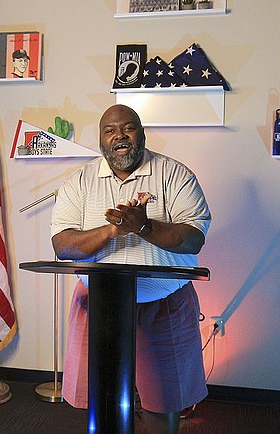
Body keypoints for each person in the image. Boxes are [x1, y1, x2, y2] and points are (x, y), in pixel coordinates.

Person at [50, 104, 211, 433]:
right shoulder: (79, 181)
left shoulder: (175, 174)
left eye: (128, 128)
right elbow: (63, 246)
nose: (119, 136)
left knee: (163, 399)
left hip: (163, 305)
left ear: (142, 132)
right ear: (100, 139)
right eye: (110, 130)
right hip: (96, 304)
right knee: (97, 395)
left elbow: (193, 239)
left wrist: (145, 228)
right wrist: (112, 231)